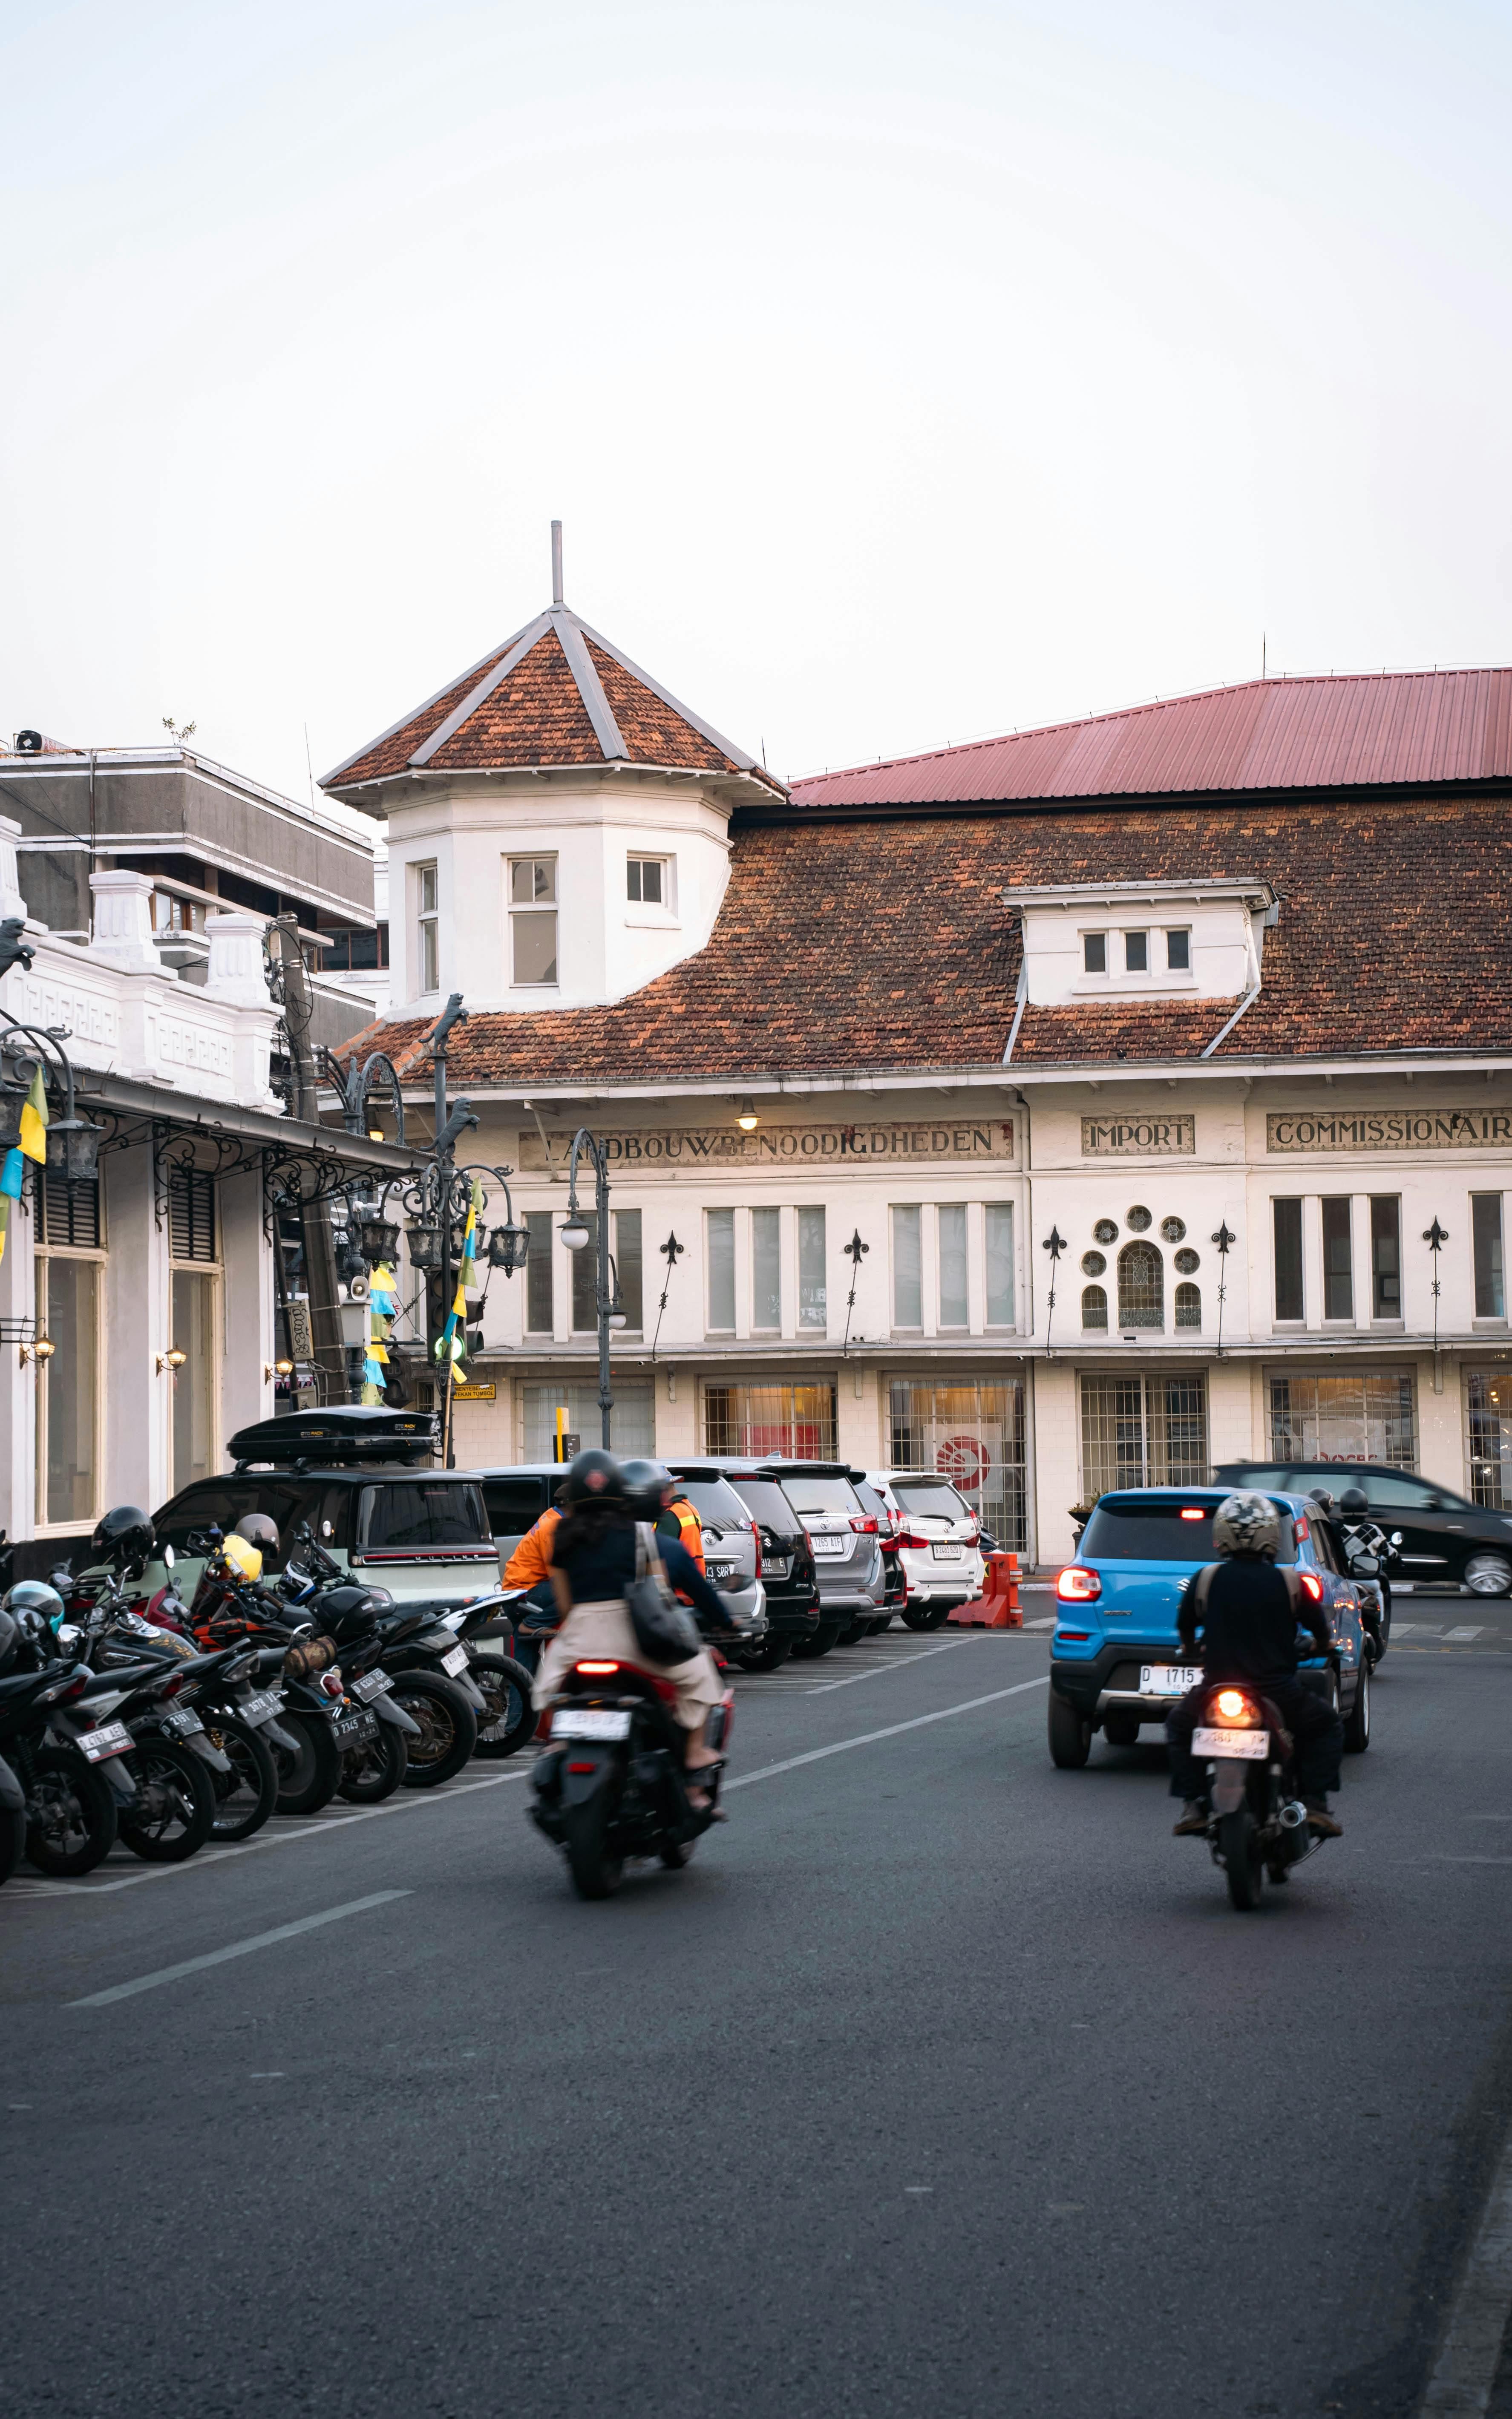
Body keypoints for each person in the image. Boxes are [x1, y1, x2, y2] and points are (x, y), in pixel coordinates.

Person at [532, 1449, 736, 1809]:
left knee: (549, 1688)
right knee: (700, 1676)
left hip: (579, 1637)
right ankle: (693, 1753)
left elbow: (564, 1605)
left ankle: (562, 1743)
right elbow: (658, 1594)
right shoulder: (641, 1534)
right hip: (632, 1637)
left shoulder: (560, 1534)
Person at [1166, 1489, 1345, 1839]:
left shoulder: (1205, 1579)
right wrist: (1324, 1645)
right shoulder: (1288, 1581)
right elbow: (1319, 1628)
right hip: (1276, 1690)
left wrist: (1190, 1649)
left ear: (1221, 1534)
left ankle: (1192, 1804)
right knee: (1326, 1726)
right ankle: (1315, 1802)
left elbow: (1185, 1628)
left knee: (1178, 1727)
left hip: (1215, 1688)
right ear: (1271, 1536)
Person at [502, 1489, 568, 1673]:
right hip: (524, 1594)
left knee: (523, 1674)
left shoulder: (553, 1516)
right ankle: (532, 1624)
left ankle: (519, 1703)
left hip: (517, 1595)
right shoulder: (555, 1527)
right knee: (575, 1589)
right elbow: (558, 1578)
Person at [620, 1460, 705, 1588]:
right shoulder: (690, 1508)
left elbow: (658, 1557)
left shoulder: (671, 1515)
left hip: (678, 1591)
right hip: (693, 1585)